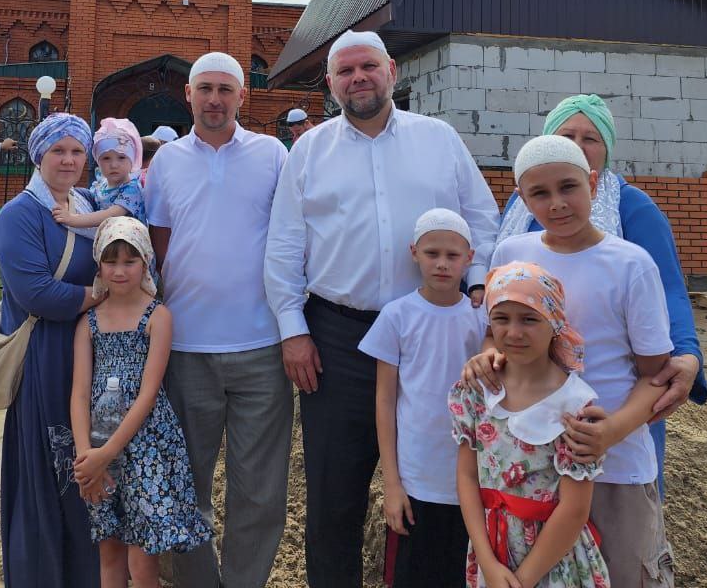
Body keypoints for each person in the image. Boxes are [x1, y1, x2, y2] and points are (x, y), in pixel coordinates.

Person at [264, 29, 501, 588]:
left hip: (432, 339)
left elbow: (484, 221)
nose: (358, 79)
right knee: (334, 495)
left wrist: (476, 291)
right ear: (330, 84)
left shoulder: (438, 140)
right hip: (337, 342)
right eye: (345, 72)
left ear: (391, 70)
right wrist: (293, 331)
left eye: (367, 66)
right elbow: (284, 248)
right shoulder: (309, 152)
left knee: (435, 485)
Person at [473, 135, 674, 587]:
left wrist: (608, 433)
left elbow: (656, 375)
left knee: (625, 574)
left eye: (568, 187)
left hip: (616, 466)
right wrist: (486, 357)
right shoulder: (511, 254)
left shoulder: (631, 265)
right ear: (521, 198)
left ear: (594, 183)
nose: (557, 204)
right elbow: (494, 333)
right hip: (528, 468)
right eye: (539, 194)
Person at [495, 93, 707, 496]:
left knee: (620, 522)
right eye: (566, 135)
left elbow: (668, 290)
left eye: (590, 138)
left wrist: (687, 352)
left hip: (612, 402)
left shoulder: (633, 206)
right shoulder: (519, 208)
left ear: (606, 151)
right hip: (533, 396)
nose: (577, 145)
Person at [145, 51, 293, 588]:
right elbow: (161, 250)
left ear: (242, 97)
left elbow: (290, 236)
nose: (214, 99)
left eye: (225, 89)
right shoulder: (166, 162)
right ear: (188, 94)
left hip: (261, 346)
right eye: (204, 88)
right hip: (186, 349)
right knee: (187, 485)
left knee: (259, 489)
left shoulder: (273, 154)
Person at [451, 263, 611, 588]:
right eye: (501, 318)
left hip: (552, 563)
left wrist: (522, 581)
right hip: (492, 555)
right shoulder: (479, 392)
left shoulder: (574, 405)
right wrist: (486, 560)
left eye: (529, 318)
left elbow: (575, 509)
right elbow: (468, 476)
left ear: (553, 322)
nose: (514, 332)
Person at [70, 217, 211, 588]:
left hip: (146, 445)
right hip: (99, 442)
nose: (119, 271)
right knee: (109, 547)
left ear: (146, 261)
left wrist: (108, 453)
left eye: (129, 261)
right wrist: (88, 454)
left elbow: (149, 393)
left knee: (142, 553)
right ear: (98, 264)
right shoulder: (89, 322)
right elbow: (80, 392)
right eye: (110, 261)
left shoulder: (157, 317)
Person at [0, 112, 105, 587]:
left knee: (91, 462)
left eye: (77, 151)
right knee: (52, 462)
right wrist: (99, 296)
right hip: (47, 354)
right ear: (38, 156)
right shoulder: (20, 214)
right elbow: (35, 292)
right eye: (58, 151)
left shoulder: (86, 205)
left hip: (90, 352)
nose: (68, 160)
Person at [358, 208, 484, 588]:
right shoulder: (397, 316)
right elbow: (384, 401)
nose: (442, 264)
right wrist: (392, 484)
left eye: (452, 255)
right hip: (416, 483)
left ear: (470, 259)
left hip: (471, 484)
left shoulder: (483, 319)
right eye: (432, 254)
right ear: (414, 252)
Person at [55, 118, 145, 228]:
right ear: (98, 162)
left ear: (132, 160)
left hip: (125, 242)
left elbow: (109, 215)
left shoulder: (131, 189)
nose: (114, 165)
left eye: (121, 157)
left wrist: (72, 219)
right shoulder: (101, 184)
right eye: (106, 158)